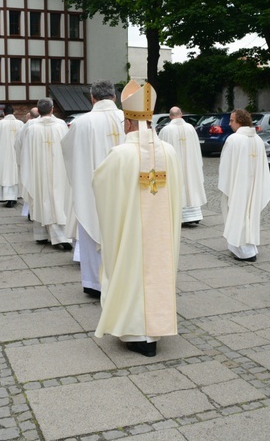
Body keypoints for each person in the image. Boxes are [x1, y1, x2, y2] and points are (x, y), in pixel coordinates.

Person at [92, 80, 181, 357]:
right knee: (157, 269)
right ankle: (154, 329)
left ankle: (134, 330)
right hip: (162, 236)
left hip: (131, 236)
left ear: (129, 122)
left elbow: (100, 185)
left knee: (130, 267)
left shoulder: (119, 154)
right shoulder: (170, 152)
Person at [61, 80, 124, 298]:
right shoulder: (130, 119)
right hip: (124, 189)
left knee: (91, 227)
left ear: (92, 98)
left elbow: (68, 153)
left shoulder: (82, 123)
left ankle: (94, 283)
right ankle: (121, 281)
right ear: (114, 97)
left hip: (92, 190)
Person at [217, 109, 270, 262]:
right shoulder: (258, 140)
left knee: (237, 213)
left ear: (240, 121)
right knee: (250, 215)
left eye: (231, 120)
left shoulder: (234, 139)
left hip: (238, 186)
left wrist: (227, 183)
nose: (229, 124)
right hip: (253, 187)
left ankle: (242, 250)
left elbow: (226, 165)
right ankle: (248, 246)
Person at [19, 98, 73, 250]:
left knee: (41, 196)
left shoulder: (31, 127)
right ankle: (61, 237)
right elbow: (69, 148)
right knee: (57, 198)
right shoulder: (61, 126)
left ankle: (42, 234)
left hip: (38, 169)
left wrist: (23, 164)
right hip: (59, 169)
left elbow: (20, 145)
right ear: (52, 109)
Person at [158, 106, 207, 225]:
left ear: (170, 116)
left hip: (174, 166)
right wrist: (197, 163)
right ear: (181, 114)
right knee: (191, 185)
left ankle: (182, 217)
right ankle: (195, 215)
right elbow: (197, 148)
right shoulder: (190, 128)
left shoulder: (166, 130)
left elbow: (160, 151)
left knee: (178, 186)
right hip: (191, 165)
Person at [0, 106, 24, 207]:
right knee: (15, 174)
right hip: (17, 153)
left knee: (5, 174)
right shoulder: (20, 123)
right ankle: (15, 196)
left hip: (4, 153)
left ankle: (8, 197)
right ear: (13, 112)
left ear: (4, 113)